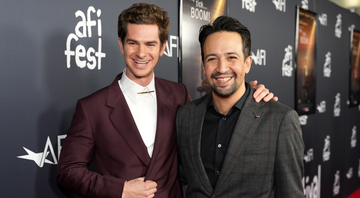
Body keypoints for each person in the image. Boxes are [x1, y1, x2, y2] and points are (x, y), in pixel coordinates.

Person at [56, 3, 275, 198]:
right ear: (121, 45)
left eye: (150, 44)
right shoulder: (91, 108)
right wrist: (120, 189)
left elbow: (217, 119)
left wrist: (250, 94)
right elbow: (67, 172)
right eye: (133, 43)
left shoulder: (179, 94)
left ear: (162, 48)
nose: (141, 53)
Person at [176, 16, 304, 197]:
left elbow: (291, 193)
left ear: (247, 64)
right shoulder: (186, 115)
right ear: (204, 66)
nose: (221, 68)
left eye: (231, 57)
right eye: (212, 59)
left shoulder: (280, 119)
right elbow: (178, 177)